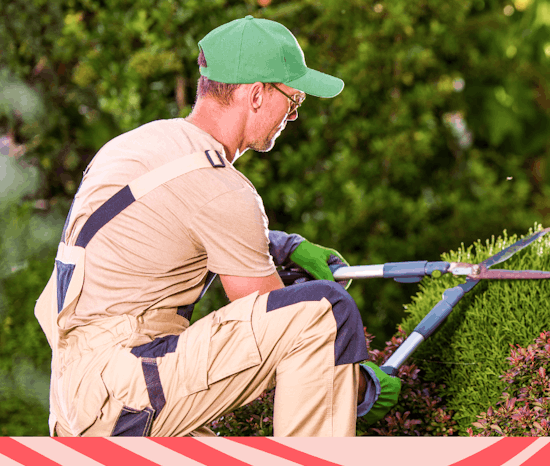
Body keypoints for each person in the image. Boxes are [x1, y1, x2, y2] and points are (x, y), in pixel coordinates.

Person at [33, 16, 400, 437]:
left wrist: (283, 247)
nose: (293, 116)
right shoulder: (222, 189)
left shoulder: (141, 146)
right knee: (323, 313)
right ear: (258, 94)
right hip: (125, 392)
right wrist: (360, 386)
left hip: (79, 396)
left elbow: (169, 228)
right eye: (293, 100)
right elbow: (276, 327)